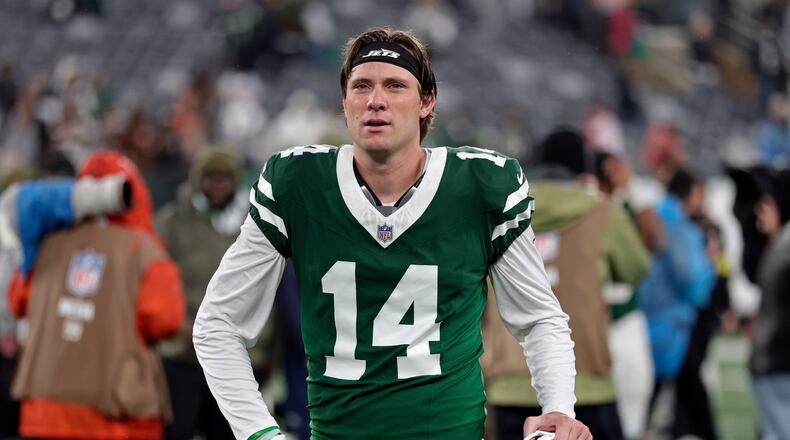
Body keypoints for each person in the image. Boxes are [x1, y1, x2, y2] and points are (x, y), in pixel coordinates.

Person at [194, 27, 590, 440]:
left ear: (426, 101)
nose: (376, 100)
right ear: (344, 103)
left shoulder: (480, 186)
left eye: (395, 85)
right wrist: (259, 433)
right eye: (361, 85)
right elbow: (217, 323)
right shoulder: (297, 183)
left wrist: (559, 407)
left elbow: (540, 318)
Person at [482, 129, 650, 440]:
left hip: (508, 383)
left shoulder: (500, 213)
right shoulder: (603, 213)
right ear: (583, 170)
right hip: (585, 383)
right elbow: (637, 268)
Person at [7, 150, 186, 439]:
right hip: (115, 417)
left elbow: (17, 300)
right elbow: (167, 320)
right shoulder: (144, 252)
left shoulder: (47, 242)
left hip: (45, 410)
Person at [155, 147, 281, 440]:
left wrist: (266, 347)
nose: (217, 185)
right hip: (182, 357)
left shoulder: (254, 220)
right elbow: (156, 284)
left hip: (239, 359)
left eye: (225, 178)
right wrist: (182, 328)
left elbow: (268, 289)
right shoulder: (172, 223)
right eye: (211, 178)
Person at [638, 168, 716, 435]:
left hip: (653, 319)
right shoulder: (677, 224)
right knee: (692, 397)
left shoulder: (658, 215)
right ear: (690, 193)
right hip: (672, 325)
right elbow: (691, 280)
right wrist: (709, 262)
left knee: (655, 399)